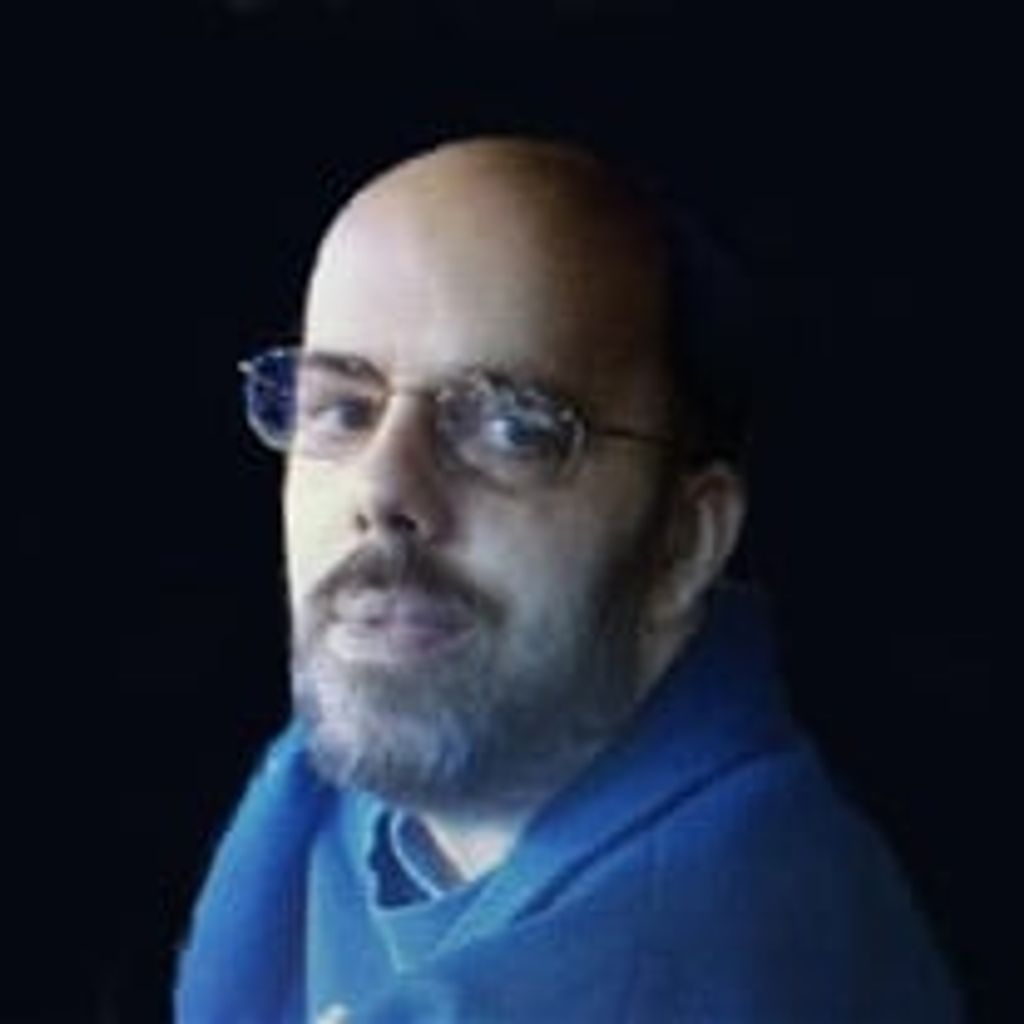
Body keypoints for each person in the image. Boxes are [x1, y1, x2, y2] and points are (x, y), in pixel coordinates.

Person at [176, 137, 961, 1023]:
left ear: (683, 542)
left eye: (512, 429)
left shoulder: (715, 959)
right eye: (344, 409)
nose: (382, 489)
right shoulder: (391, 753)